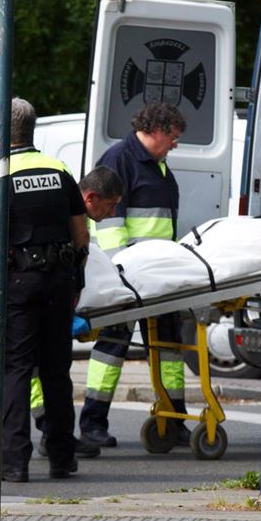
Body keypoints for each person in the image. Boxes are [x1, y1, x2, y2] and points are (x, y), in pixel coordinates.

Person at [0, 165, 123, 463]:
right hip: (8, 288)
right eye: (110, 205)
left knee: (35, 366)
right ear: (91, 197)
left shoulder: (45, 192)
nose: (112, 212)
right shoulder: (63, 200)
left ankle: (53, 434)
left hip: (17, 289)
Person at [0, 98, 89, 483]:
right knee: (56, 371)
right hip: (59, 280)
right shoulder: (59, 170)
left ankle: (14, 462)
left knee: (16, 370)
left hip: (18, 282)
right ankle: (62, 456)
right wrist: (75, 278)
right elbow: (81, 234)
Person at [80, 102, 191, 448]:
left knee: (169, 349)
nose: (175, 144)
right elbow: (111, 225)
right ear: (156, 130)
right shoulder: (119, 161)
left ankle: (175, 418)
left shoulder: (157, 165)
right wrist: (120, 275)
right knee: (112, 347)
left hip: (158, 276)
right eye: (173, 137)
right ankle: (92, 422)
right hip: (130, 277)